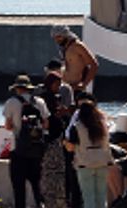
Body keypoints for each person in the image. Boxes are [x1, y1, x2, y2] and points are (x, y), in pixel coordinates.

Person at [4, 74, 50, 208]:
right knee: (37, 185)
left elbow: (8, 126)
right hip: (36, 150)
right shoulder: (40, 102)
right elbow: (46, 124)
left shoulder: (12, 102)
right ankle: (40, 205)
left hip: (18, 150)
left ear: (17, 88)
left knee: (19, 188)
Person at [64, 99, 111, 208]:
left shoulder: (77, 126)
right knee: (101, 196)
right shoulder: (102, 125)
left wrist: (65, 143)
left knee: (88, 197)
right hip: (102, 162)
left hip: (85, 164)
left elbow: (71, 148)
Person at [37, 71, 74, 208]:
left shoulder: (53, 97)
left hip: (57, 137)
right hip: (52, 139)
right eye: (57, 84)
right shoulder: (46, 99)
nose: (58, 87)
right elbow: (49, 119)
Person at [51, 26, 99, 93]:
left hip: (77, 88)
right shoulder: (63, 48)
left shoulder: (77, 46)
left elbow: (94, 64)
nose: (57, 40)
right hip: (65, 87)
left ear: (65, 35)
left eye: (59, 37)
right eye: (55, 38)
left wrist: (83, 84)